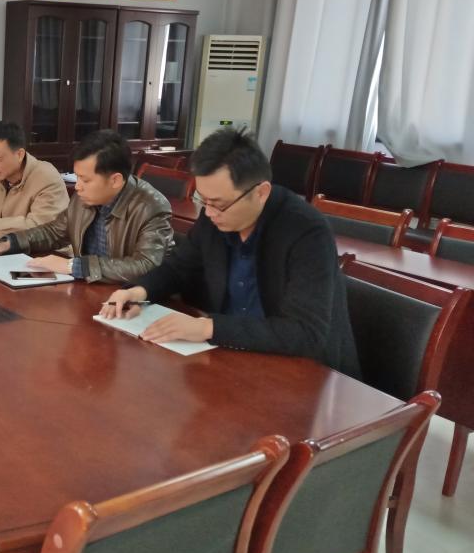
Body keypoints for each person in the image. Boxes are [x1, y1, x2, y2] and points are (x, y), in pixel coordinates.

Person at [100, 127, 361, 377]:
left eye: (219, 204)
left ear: (261, 192)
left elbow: (304, 332)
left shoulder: (306, 232)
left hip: (305, 374)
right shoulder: (215, 217)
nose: (209, 212)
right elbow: (179, 267)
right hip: (229, 358)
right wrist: (138, 292)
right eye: (203, 200)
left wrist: (208, 327)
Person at [0, 130, 173, 284]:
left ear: (115, 180)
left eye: (85, 180)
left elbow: (146, 265)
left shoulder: (151, 207)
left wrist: (74, 266)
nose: (77, 186)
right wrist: (8, 243)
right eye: (77, 178)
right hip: (88, 289)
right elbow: (54, 232)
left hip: (128, 299)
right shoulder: (83, 198)